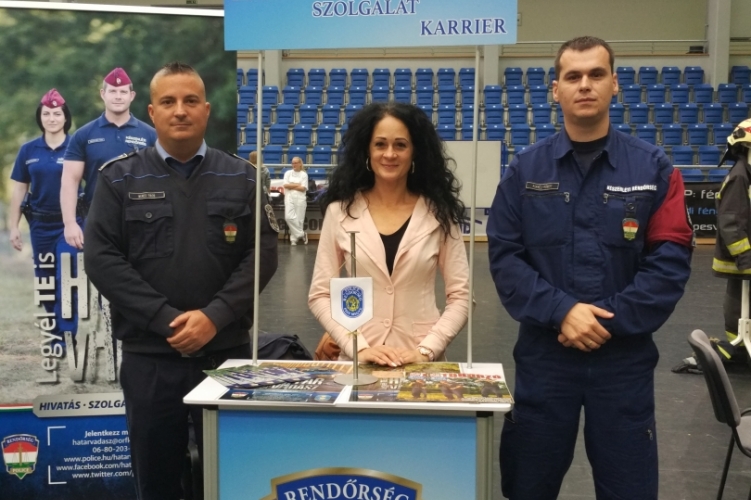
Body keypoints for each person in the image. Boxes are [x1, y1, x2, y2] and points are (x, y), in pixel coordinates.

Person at [487, 36, 693, 499]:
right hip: (545, 360)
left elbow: (670, 263)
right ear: (555, 89)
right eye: (573, 76)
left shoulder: (655, 170)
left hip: (623, 363)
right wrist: (562, 311)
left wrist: (603, 322)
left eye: (596, 74)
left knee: (629, 490)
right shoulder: (524, 171)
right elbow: (505, 257)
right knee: (527, 487)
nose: (585, 85)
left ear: (614, 84)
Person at [83, 62, 279, 500]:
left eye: (191, 101)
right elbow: (101, 258)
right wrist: (165, 319)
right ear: (151, 112)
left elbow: (263, 254)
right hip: (150, 360)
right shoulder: (118, 178)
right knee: (157, 482)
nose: (180, 110)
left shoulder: (243, 177)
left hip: (226, 356)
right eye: (168, 102)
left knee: (232, 481)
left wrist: (215, 316)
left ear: (206, 110)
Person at [308, 102, 469, 367]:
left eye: (400, 145)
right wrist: (357, 347)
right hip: (359, 363)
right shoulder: (340, 212)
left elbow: (461, 297)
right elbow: (320, 295)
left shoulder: (440, 214)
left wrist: (426, 350)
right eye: (380, 144)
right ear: (367, 151)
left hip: (421, 364)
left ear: (415, 151)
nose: (390, 154)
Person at [61, 67, 156, 249]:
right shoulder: (84, 135)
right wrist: (70, 223)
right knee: (102, 267)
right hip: (98, 220)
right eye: (112, 91)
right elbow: (70, 180)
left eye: (123, 92)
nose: (118, 97)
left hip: (142, 221)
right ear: (103, 94)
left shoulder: (151, 135)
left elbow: (165, 179)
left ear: (132, 96)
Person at [8, 89, 73, 343]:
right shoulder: (28, 150)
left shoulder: (76, 147)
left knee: (66, 277)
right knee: (46, 283)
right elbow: (19, 189)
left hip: (70, 224)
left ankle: (67, 334)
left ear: (65, 117)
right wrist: (14, 226)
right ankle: (56, 334)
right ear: (40, 117)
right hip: (40, 226)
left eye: (57, 114)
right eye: (46, 114)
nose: (52, 118)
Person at [713, 118, 751, 362]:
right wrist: (746, 258)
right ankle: (739, 348)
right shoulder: (740, 177)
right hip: (741, 259)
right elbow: (731, 223)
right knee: (740, 303)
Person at [284, 156, 309, 245]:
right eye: (292, 163)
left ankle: (294, 239)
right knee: (288, 217)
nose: (294, 165)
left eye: (295, 163)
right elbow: (285, 185)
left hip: (300, 198)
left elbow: (303, 188)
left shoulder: (304, 174)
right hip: (289, 197)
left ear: (300, 164)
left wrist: (291, 185)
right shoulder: (288, 173)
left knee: (299, 219)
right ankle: (302, 234)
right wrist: (297, 184)